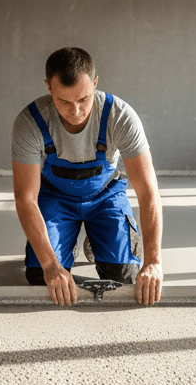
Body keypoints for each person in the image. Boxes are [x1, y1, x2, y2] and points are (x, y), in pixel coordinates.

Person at [11, 47, 163, 305]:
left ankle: (96, 238)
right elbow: (25, 198)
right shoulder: (30, 122)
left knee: (123, 277)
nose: (76, 111)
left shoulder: (121, 116)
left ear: (95, 83)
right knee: (39, 277)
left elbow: (148, 193)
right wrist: (50, 265)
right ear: (48, 87)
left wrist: (153, 262)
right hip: (55, 198)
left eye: (83, 99)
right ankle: (65, 242)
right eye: (64, 102)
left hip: (105, 196)